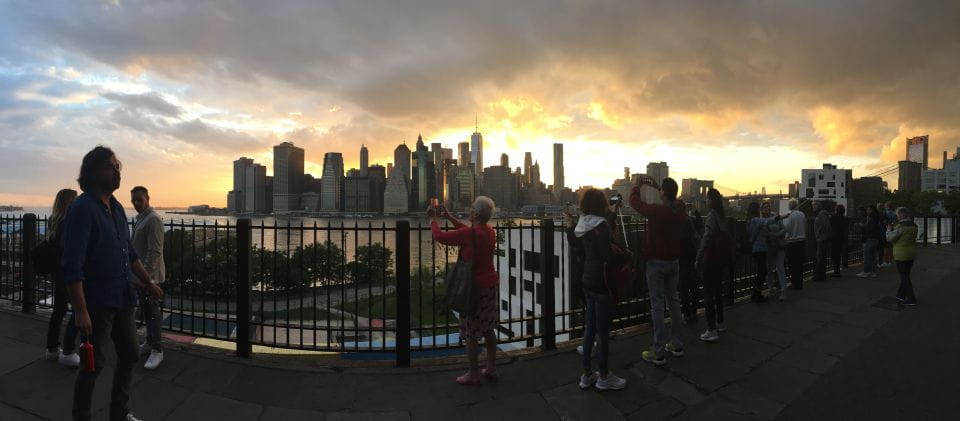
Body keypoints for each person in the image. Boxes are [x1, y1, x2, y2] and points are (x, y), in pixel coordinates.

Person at [62, 146, 164, 421]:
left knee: (130, 354)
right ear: (94, 171)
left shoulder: (117, 207)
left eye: (118, 166)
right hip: (98, 303)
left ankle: (119, 412)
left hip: (123, 298)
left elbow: (129, 254)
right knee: (93, 365)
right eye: (110, 166)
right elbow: (72, 266)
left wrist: (148, 282)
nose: (117, 171)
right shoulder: (82, 209)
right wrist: (81, 311)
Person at [429, 196, 499, 385]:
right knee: (488, 328)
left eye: (472, 207)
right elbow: (467, 232)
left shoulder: (472, 234)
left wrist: (433, 220)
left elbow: (440, 237)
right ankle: (491, 368)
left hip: (473, 289)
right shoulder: (489, 231)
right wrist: (449, 217)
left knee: (471, 333)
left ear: (476, 214)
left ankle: (473, 374)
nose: (469, 209)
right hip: (490, 286)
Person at [565, 189, 626, 391]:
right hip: (602, 282)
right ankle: (604, 376)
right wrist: (627, 256)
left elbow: (575, 241)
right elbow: (607, 256)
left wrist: (569, 224)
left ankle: (587, 375)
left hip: (587, 281)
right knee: (603, 332)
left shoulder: (583, 223)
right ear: (601, 205)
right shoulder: (602, 225)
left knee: (590, 329)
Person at [629, 176, 686, 366]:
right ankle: (677, 344)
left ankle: (658, 351)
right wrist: (659, 187)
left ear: (663, 193)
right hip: (673, 262)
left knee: (657, 306)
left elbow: (634, 203)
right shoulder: (680, 210)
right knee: (674, 302)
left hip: (656, 263)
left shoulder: (658, 211)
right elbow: (676, 200)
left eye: (661, 189)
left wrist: (637, 186)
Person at [43, 188, 81, 367]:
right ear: (69, 203)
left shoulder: (54, 221)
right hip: (68, 274)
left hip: (58, 274)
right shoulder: (68, 223)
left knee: (58, 311)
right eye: (75, 200)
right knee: (79, 310)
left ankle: (52, 348)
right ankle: (68, 349)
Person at [130, 186, 165, 370]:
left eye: (139, 200)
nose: (136, 204)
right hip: (141, 276)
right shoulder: (142, 219)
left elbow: (154, 251)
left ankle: (157, 349)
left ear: (148, 199)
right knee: (146, 310)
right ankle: (150, 342)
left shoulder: (153, 220)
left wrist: (146, 278)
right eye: (133, 201)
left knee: (152, 312)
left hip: (150, 276)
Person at [695, 189, 732, 342]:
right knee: (717, 292)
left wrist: (698, 257)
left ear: (711, 200)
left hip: (711, 258)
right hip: (720, 259)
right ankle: (720, 323)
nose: (706, 201)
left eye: (707, 198)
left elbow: (706, 238)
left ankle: (711, 329)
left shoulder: (711, 216)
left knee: (708, 294)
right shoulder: (722, 216)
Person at [886, 207, 918, 306]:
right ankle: (901, 294)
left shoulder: (900, 227)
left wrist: (888, 230)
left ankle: (911, 299)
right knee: (906, 274)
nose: (897, 217)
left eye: (897, 215)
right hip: (911, 252)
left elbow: (890, 238)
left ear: (901, 215)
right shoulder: (914, 225)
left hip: (901, 254)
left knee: (904, 277)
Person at [678, 202, 701, 323]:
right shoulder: (689, 220)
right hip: (692, 256)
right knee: (693, 285)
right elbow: (699, 227)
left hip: (681, 258)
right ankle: (694, 310)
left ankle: (686, 313)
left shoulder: (676, 221)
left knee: (683, 287)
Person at [762, 202, 789, 301]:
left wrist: (777, 234)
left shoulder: (776, 218)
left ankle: (783, 290)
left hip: (779, 246)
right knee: (769, 270)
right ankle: (771, 289)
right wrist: (770, 235)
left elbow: (784, 229)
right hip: (768, 247)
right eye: (765, 207)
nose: (767, 208)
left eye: (768, 207)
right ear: (762, 209)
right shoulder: (761, 220)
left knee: (780, 268)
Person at [745, 202, 768, 302]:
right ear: (756, 209)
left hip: (756, 249)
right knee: (762, 271)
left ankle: (756, 293)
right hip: (760, 248)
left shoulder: (749, 220)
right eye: (759, 208)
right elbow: (767, 221)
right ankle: (757, 293)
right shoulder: (756, 220)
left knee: (760, 271)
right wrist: (779, 217)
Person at [782, 199, 807, 290]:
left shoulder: (790, 216)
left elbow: (786, 228)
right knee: (799, 263)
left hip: (792, 242)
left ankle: (794, 283)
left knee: (792, 264)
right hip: (802, 241)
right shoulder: (802, 214)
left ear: (790, 206)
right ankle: (799, 283)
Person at [857, 205, 883, 278]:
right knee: (873, 256)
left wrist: (863, 226)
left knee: (867, 256)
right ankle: (873, 272)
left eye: (868, 210)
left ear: (872, 210)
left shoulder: (872, 218)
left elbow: (870, 228)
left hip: (870, 238)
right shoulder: (876, 218)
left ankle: (866, 271)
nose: (867, 211)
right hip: (875, 238)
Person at [812, 201, 832, 282]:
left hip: (822, 239)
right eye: (812, 205)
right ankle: (821, 275)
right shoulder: (820, 214)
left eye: (814, 205)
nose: (813, 207)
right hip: (820, 238)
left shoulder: (822, 213)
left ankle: (819, 276)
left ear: (818, 205)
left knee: (820, 258)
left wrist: (825, 236)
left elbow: (827, 226)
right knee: (820, 257)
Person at [830, 204, 848, 276]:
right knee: (840, 253)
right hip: (842, 238)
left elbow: (830, 226)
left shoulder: (833, 217)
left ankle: (836, 271)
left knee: (835, 255)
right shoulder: (844, 218)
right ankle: (840, 268)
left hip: (834, 238)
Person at [880, 202, 897, 268]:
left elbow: (883, 221)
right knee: (890, 246)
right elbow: (895, 222)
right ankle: (890, 261)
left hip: (885, 230)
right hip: (892, 229)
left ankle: (886, 261)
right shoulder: (894, 213)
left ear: (886, 206)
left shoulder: (885, 213)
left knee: (885, 247)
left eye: (885, 205)